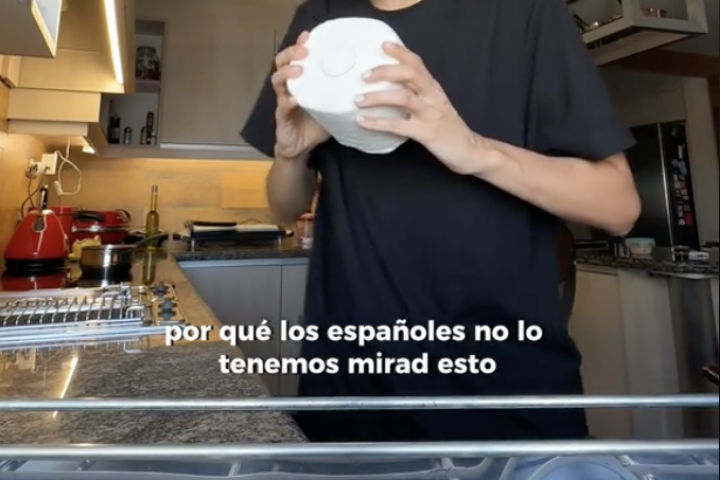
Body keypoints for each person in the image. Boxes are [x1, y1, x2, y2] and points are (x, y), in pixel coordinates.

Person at [241, 0, 641, 442]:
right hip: (350, 394)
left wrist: (475, 151)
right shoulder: (320, 19)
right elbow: (285, 207)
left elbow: (618, 207)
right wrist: (290, 156)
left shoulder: (526, 12)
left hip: (505, 396)